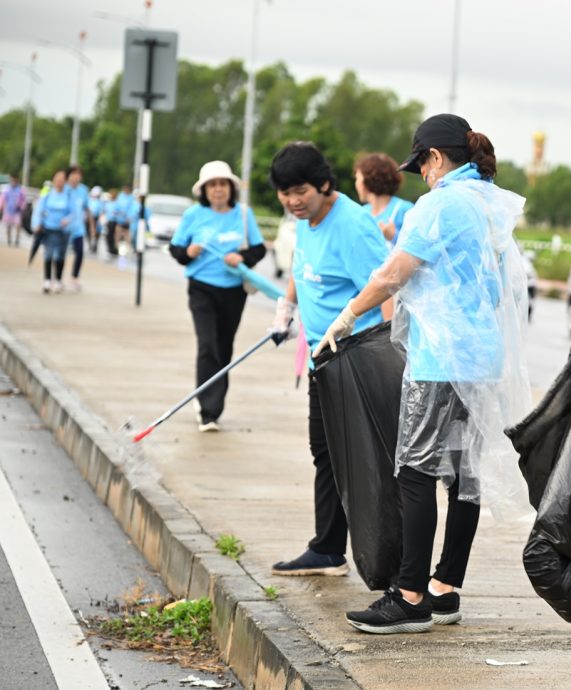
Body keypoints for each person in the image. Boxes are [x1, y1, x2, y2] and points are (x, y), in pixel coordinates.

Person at [310, 114, 530, 634]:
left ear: (434, 158)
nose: (421, 178)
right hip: (480, 356)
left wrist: (345, 319)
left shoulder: (440, 205)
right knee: (463, 476)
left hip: (440, 358)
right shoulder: (487, 202)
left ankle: (408, 596)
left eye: (422, 166)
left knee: (415, 471)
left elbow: (393, 274)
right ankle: (444, 589)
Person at [267, 142, 390, 578]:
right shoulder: (304, 219)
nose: (292, 201)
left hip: (356, 358)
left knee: (360, 459)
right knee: (325, 453)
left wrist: (389, 355)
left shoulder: (353, 225)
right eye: (284, 193)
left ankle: (385, 561)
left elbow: (387, 287)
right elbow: (303, 271)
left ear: (323, 183)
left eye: (299, 191)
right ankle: (327, 547)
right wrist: (286, 307)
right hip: (322, 356)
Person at [169, 161, 267, 432]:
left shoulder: (244, 214)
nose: (218, 190)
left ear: (231, 188)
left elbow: (259, 249)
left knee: (224, 348)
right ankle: (208, 411)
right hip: (201, 288)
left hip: (234, 291)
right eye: (212, 185)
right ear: (204, 190)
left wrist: (242, 257)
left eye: (223, 184)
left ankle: (211, 399)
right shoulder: (193, 215)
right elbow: (175, 250)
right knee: (208, 345)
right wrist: (189, 252)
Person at [353, 153, 414, 245]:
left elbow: (420, 248)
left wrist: (394, 236)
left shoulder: (405, 209)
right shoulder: (362, 212)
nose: (356, 184)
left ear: (368, 178)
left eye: (357, 178)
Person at [31, 169, 74, 294]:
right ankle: (47, 280)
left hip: (63, 231)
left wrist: (67, 220)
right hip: (49, 229)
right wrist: (37, 224)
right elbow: (39, 210)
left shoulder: (68, 196)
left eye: (62, 179)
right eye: (57, 179)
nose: (59, 182)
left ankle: (58, 280)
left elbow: (73, 213)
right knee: (48, 254)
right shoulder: (48, 195)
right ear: (54, 180)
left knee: (60, 255)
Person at [65, 165, 91, 291]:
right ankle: (57, 277)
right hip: (64, 228)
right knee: (60, 254)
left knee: (79, 252)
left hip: (78, 228)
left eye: (78, 174)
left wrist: (92, 226)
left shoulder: (83, 190)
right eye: (74, 174)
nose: (76, 177)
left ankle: (74, 277)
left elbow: (87, 208)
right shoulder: (64, 189)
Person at [1, 174, 27, 247]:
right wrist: (1, 207)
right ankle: (9, 239)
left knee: (18, 225)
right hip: (8, 210)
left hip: (17, 211)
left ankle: (17, 240)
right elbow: (3, 199)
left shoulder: (20, 190)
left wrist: (22, 207)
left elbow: (24, 200)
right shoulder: (7, 189)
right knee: (8, 226)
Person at [87, 186, 104, 254]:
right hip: (90, 218)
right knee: (89, 232)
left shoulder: (100, 201)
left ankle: (95, 245)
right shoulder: (89, 200)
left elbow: (101, 211)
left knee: (97, 232)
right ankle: (90, 244)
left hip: (97, 218)